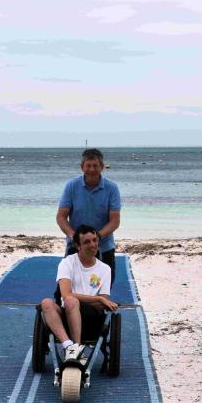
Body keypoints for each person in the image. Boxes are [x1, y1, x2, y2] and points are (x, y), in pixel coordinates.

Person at [40, 225, 118, 361]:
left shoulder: (105, 269)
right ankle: (71, 346)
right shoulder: (67, 263)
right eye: (87, 242)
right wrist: (98, 298)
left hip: (91, 318)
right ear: (78, 245)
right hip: (65, 315)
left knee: (72, 300)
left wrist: (100, 300)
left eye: (94, 240)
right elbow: (66, 294)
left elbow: (103, 303)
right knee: (47, 303)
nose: (93, 244)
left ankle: (75, 349)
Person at [56, 148, 121, 284]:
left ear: (102, 167)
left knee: (102, 285)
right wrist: (74, 236)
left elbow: (114, 221)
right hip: (76, 245)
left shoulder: (112, 188)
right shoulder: (71, 186)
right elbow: (61, 217)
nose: (92, 169)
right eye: (88, 166)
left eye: (95, 166)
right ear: (82, 167)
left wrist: (96, 237)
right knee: (70, 284)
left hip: (104, 245)